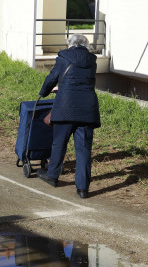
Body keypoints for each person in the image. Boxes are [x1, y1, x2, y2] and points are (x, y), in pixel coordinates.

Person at [36, 33, 101, 198]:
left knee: (59, 144)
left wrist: (43, 93)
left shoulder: (64, 56)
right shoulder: (92, 60)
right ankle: (83, 188)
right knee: (84, 149)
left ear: (69, 44)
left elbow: (52, 78)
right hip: (87, 109)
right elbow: (83, 81)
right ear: (85, 45)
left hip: (65, 107)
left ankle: (52, 176)